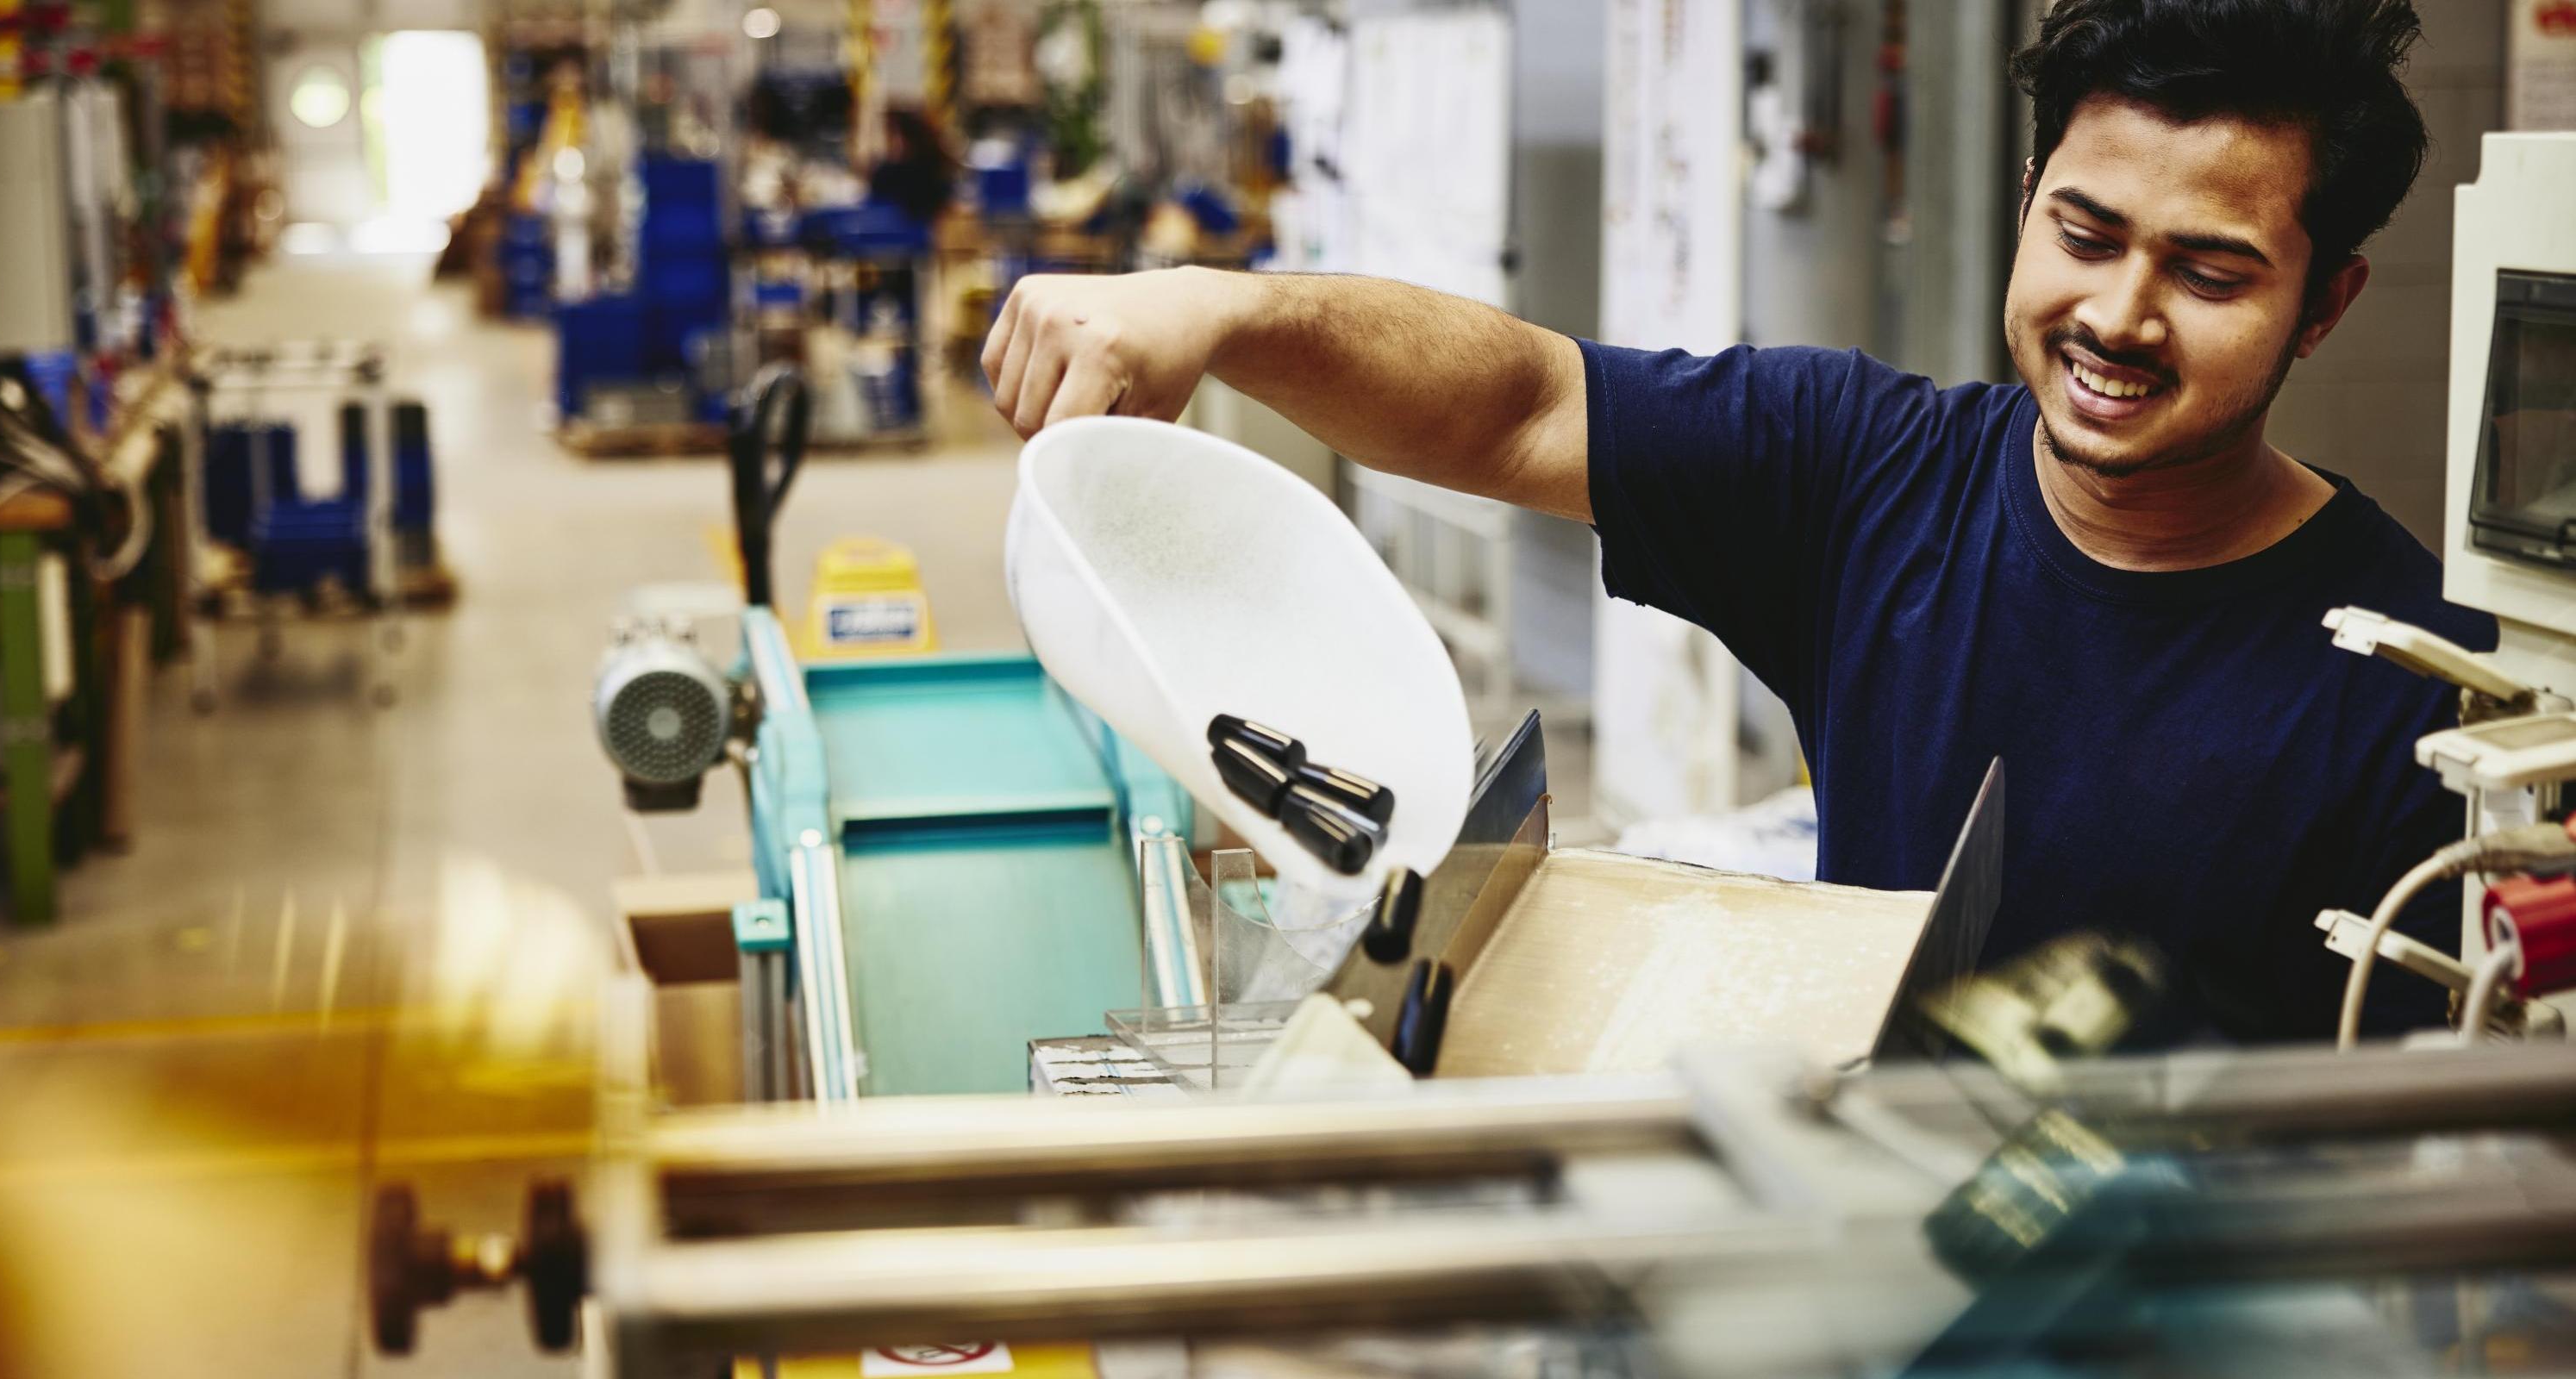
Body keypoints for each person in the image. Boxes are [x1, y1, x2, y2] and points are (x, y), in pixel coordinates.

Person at [980, 0, 2492, 1044]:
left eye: (2210, 275)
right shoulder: (1867, 474)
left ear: (2324, 305)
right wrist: (1220, 308)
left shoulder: (2422, 688)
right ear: (2029, 196)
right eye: (2083, 234)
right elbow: (1517, 403)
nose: (2118, 314)